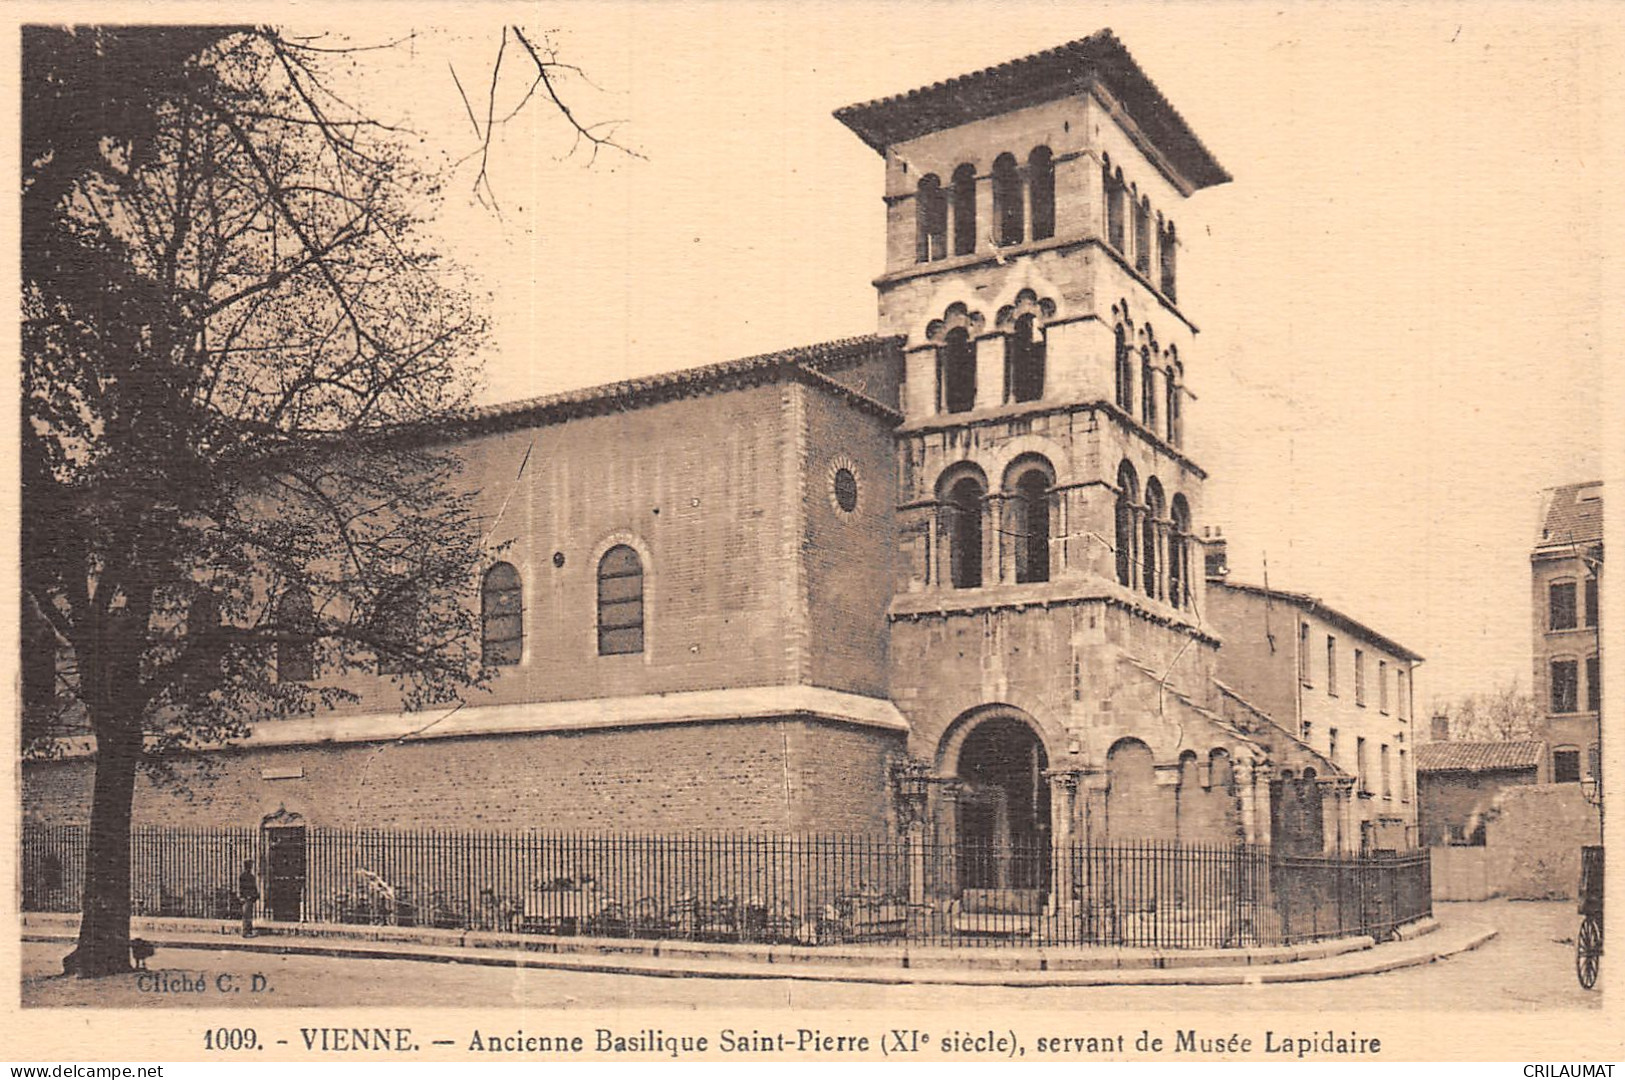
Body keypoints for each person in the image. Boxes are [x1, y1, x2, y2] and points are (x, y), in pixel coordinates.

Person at [238, 860, 260, 938]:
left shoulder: (249, 876)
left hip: (249, 898)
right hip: (247, 898)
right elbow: (243, 888)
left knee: (248, 915)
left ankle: (249, 931)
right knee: (246, 915)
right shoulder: (246, 876)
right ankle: (245, 932)